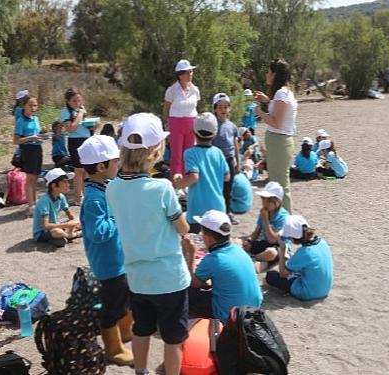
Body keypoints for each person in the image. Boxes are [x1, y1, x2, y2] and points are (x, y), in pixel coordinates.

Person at [106, 113, 191, 375]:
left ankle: (140, 372)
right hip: (169, 277)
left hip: (137, 276)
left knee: (141, 328)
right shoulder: (162, 188)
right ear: (155, 152)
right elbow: (182, 228)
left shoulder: (112, 189)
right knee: (173, 337)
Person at [77, 135, 133, 366]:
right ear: (101, 167)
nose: (118, 165)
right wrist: (118, 217)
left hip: (119, 259)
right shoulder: (93, 199)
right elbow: (97, 232)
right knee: (112, 306)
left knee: (126, 298)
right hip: (109, 265)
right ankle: (113, 348)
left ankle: (125, 332)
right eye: (115, 161)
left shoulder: (104, 188)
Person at [182, 210, 262, 322]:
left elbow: (194, 283)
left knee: (185, 291)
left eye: (202, 233)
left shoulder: (214, 259)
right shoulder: (238, 250)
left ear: (210, 238)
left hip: (228, 315)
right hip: (253, 309)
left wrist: (190, 254)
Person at [173, 112, 229, 234]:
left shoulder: (190, 153)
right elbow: (227, 177)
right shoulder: (218, 153)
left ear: (194, 132)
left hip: (198, 211)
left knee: (195, 248)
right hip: (219, 208)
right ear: (214, 134)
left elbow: (194, 177)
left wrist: (178, 184)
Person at [254, 58, 297, 212]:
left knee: (280, 185)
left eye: (268, 71)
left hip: (279, 143)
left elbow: (276, 122)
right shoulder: (283, 93)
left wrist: (259, 112)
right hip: (279, 143)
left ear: (274, 74)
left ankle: (286, 221)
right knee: (278, 183)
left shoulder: (281, 94)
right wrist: (268, 100)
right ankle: (281, 220)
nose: (267, 74)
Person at [266, 215, 333, 301]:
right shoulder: (322, 242)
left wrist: (282, 250)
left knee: (271, 275)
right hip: (325, 290)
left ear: (294, 238)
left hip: (307, 292)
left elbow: (283, 273)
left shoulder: (304, 252)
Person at [163, 59, 200, 178]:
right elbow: (166, 109)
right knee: (177, 155)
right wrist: (167, 125)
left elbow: (194, 107)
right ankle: (177, 183)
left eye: (191, 72)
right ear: (180, 75)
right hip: (176, 123)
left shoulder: (195, 90)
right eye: (187, 72)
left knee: (189, 154)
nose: (190, 75)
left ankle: (188, 181)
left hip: (191, 123)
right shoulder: (172, 90)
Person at [62, 88, 98, 204]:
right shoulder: (65, 112)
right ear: (68, 101)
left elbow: (85, 125)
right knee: (79, 170)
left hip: (87, 139)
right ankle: (78, 196)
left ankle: (88, 194)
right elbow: (71, 128)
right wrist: (80, 114)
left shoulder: (82, 110)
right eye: (74, 101)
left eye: (79, 100)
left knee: (88, 169)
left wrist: (93, 126)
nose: (77, 103)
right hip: (75, 141)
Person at [242, 181, 289, 264]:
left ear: (278, 201)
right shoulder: (265, 212)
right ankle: (255, 257)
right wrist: (249, 240)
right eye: (263, 199)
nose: (265, 203)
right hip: (264, 243)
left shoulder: (283, 217)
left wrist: (266, 220)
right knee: (239, 243)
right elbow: (257, 232)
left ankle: (252, 258)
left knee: (271, 253)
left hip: (279, 246)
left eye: (269, 201)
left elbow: (273, 240)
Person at [32, 168, 80, 248]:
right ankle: (73, 235)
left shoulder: (61, 197)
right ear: (54, 186)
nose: (68, 184)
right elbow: (45, 226)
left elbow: (69, 215)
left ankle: (67, 234)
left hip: (56, 225)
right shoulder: (44, 201)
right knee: (58, 232)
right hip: (42, 232)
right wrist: (67, 225)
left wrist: (74, 221)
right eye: (64, 182)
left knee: (80, 220)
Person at [211, 93, 240, 224]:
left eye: (226, 106)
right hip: (216, 161)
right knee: (216, 187)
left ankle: (228, 212)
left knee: (228, 189)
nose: (223, 109)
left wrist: (237, 162)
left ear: (229, 109)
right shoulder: (212, 126)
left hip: (229, 160)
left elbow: (235, 145)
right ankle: (217, 213)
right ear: (215, 109)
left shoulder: (232, 126)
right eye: (220, 107)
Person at [13, 95, 43, 214]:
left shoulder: (35, 118)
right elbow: (16, 140)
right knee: (30, 179)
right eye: (30, 105)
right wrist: (30, 138)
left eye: (35, 105)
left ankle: (34, 202)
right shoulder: (21, 120)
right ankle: (31, 206)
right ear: (24, 106)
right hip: (28, 150)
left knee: (35, 177)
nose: (33, 108)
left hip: (37, 148)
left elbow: (38, 133)